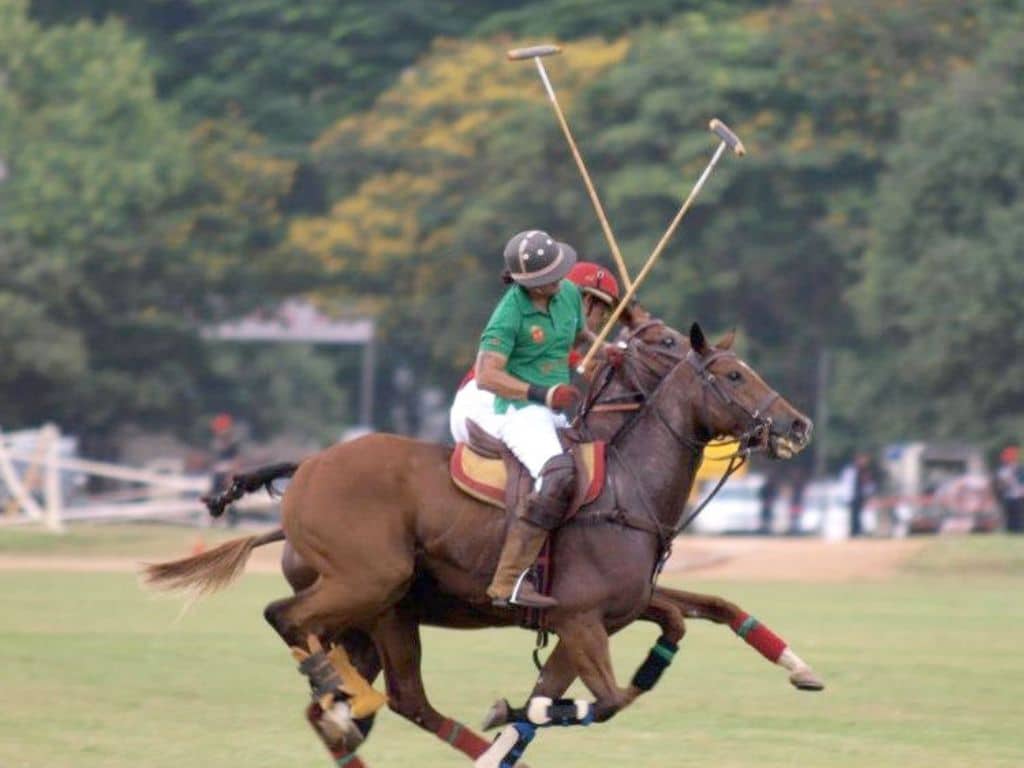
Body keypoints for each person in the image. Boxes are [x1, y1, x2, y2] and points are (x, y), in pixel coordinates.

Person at [462, 230, 618, 609]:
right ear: (524, 281)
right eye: (546, 277)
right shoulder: (509, 313)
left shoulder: (566, 294)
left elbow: (578, 334)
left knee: (596, 460)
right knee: (558, 472)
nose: (557, 280)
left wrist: (605, 350)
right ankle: (509, 581)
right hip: (516, 408)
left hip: (551, 409)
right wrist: (541, 393)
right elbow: (487, 376)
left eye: (559, 271)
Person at [449, 259, 621, 444]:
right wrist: (581, 361)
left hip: (511, 405)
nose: (601, 325)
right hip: (486, 404)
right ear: (585, 303)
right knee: (554, 463)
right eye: (602, 315)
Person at [209, 413, 242, 527]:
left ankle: (230, 521)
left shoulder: (233, 445)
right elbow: (215, 461)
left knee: (228, 498)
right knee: (214, 497)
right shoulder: (217, 444)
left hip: (227, 475)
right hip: (218, 475)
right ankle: (215, 520)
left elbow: (236, 461)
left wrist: (231, 475)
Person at [840, 452, 877, 538]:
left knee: (859, 515)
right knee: (854, 515)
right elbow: (847, 484)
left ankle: (858, 531)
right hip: (853, 496)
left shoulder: (864, 471)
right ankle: (855, 532)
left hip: (860, 496)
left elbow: (868, 484)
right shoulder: (851, 470)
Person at [995, 445, 1024, 533]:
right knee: (1008, 516)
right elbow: (1000, 485)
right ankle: (1009, 531)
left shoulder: (1020, 470)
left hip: (1018, 495)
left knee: (1018, 516)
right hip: (1007, 496)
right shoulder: (1002, 471)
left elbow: (1022, 481)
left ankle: (1018, 531)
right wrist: (1004, 483)